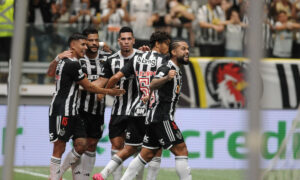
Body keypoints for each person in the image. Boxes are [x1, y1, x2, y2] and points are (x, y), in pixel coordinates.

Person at [92, 31, 172, 180]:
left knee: (129, 148)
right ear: (158, 43)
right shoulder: (164, 60)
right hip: (152, 110)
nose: (169, 47)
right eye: (167, 43)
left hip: (135, 109)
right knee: (156, 150)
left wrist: (110, 91)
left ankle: (103, 173)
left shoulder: (137, 58)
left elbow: (116, 77)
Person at [48, 33, 125, 180]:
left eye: (87, 43)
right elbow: (89, 86)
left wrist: (103, 45)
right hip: (63, 109)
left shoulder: (73, 60)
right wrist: (110, 91)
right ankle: (55, 177)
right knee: (60, 146)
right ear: (73, 46)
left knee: (83, 145)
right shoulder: (72, 62)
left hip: (77, 110)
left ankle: (60, 175)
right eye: (83, 44)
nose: (86, 47)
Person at [119, 40, 192, 180]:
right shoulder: (167, 68)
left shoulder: (176, 70)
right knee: (181, 150)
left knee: (146, 154)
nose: (187, 51)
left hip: (154, 117)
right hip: (162, 117)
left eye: (188, 49)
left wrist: (149, 95)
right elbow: (153, 82)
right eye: (183, 49)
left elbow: (152, 87)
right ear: (173, 52)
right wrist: (165, 78)